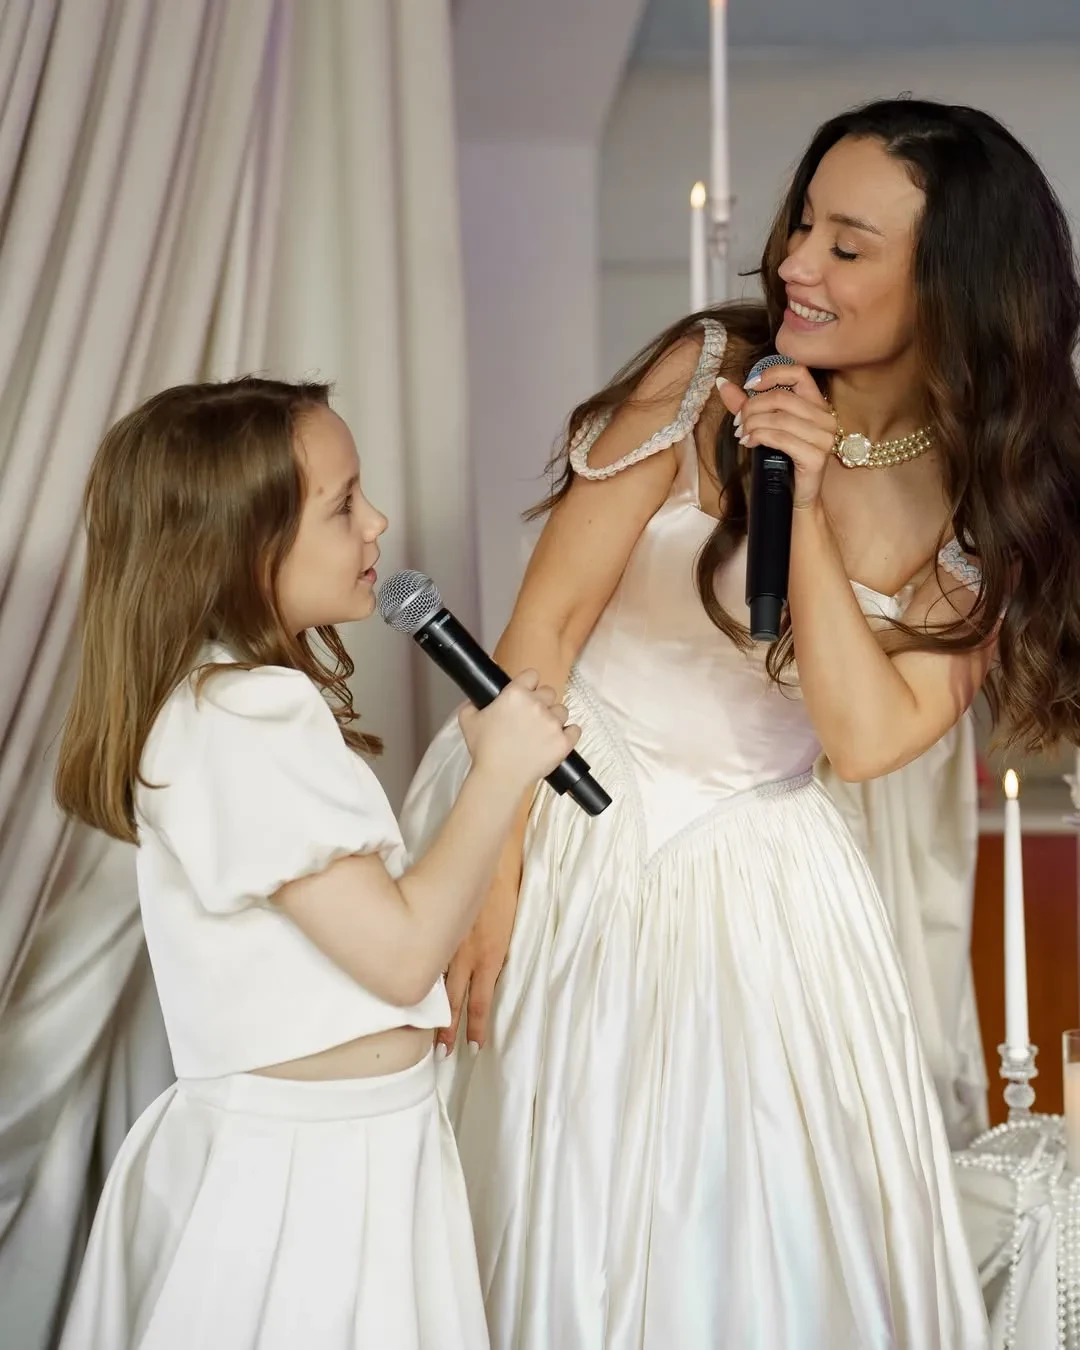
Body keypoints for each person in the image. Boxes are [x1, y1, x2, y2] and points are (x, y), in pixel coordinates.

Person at [400, 98, 1080, 1349]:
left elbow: (863, 738)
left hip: (761, 884)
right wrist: (490, 867)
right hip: (558, 808)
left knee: (744, 1237)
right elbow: (543, 625)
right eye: (803, 223)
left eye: (848, 245)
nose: (797, 263)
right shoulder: (706, 371)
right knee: (545, 1194)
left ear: (954, 285)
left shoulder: (982, 513)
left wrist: (804, 503)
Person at [52, 377, 579, 1349]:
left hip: (350, 1148)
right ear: (244, 547)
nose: (378, 523)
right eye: (342, 506)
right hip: (305, 1179)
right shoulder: (246, 716)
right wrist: (499, 774)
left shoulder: (224, 705)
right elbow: (402, 957)